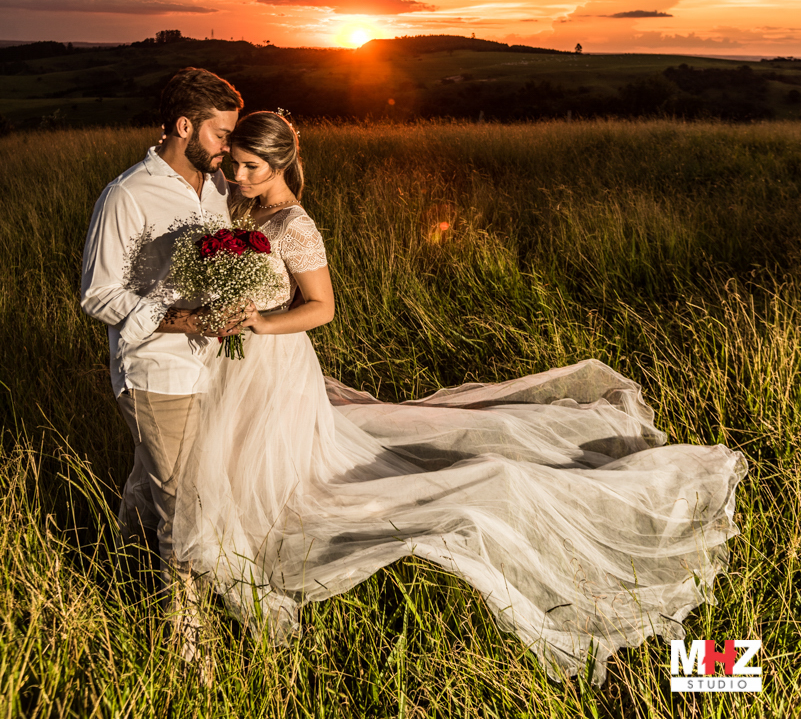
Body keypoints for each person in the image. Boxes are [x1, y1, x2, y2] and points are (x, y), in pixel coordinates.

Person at [174, 111, 747, 687]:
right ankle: (231, 551)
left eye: (252, 167)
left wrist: (260, 323)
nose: (239, 176)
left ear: (280, 164)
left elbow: (323, 307)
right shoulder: (239, 206)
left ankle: (711, 669)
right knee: (228, 458)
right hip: (230, 364)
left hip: (273, 360)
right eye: (236, 163)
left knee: (288, 471)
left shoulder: (296, 224)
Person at [81, 66, 243, 661]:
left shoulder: (219, 190)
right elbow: (97, 296)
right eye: (221, 134)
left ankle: (116, 566)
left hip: (213, 365)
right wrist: (179, 319)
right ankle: (187, 645)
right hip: (156, 370)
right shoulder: (127, 195)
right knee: (184, 502)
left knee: (164, 481)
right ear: (185, 126)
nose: (229, 146)